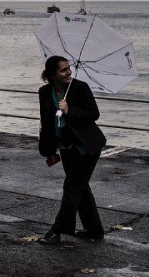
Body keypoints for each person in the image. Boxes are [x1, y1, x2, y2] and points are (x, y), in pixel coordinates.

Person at [37, 55, 106, 245]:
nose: (68, 72)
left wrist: (70, 111)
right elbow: (47, 121)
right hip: (65, 147)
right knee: (80, 188)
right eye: (63, 70)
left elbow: (94, 114)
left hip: (86, 147)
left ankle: (56, 231)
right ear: (52, 74)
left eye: (68, 68)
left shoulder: (79, 87)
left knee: (72, 187)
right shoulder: (44, 92)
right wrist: (48, 149)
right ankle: (95, 230)